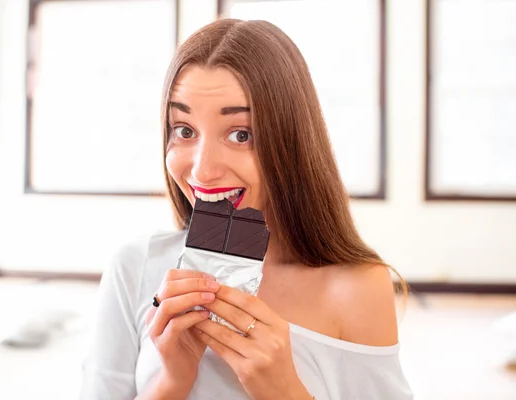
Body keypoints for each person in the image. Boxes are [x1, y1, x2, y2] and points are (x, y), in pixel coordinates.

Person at [80, 18, 413, 400]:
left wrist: (283, 391)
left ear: (293, 142)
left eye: (241, 134)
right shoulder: (135, 267)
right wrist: (173, 380)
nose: (203, 170)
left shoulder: (357, 287)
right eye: (185, 130)